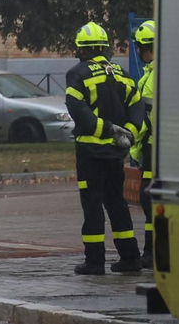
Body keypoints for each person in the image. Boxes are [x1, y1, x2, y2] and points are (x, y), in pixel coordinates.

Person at [65, 21, 144, 275]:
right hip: (116, 154)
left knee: (92, 205)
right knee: (117, 202)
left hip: (90, 154)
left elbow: (78, 110)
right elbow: (137, 106)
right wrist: (128, 132)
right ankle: (130, 258)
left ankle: (94, 261)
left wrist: (106, 129)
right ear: (104, 47)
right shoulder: (121, 73)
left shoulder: (78, 74)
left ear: (82, 49)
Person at [129, 19, 157, 269]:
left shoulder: (156, 75)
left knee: (150, 198)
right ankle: (151, 252)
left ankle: (153, 252)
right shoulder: (152, 73)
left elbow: (148, 118)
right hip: (153, 147)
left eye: (139, 46)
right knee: (149, 198)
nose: (138, 51)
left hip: (157, 149)